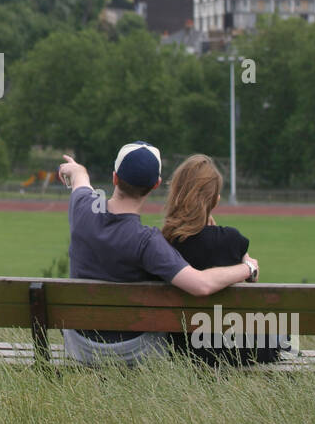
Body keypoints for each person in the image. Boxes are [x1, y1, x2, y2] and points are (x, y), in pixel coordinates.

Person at [56, 142, 259, 367]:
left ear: (114, 178)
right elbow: (201, 285)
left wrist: (73, 169)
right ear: (156, 185)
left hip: (79, 346)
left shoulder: (83, 207)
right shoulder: (149, 242)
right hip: (132, 350)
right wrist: (248, 268)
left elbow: (80, 178)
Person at [161, 154, 283, 365]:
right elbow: (253, 278)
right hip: (237, 350)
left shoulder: (160, 243)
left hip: (178, 349)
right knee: (281, 332)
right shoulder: (231, 240)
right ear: (216, 200)